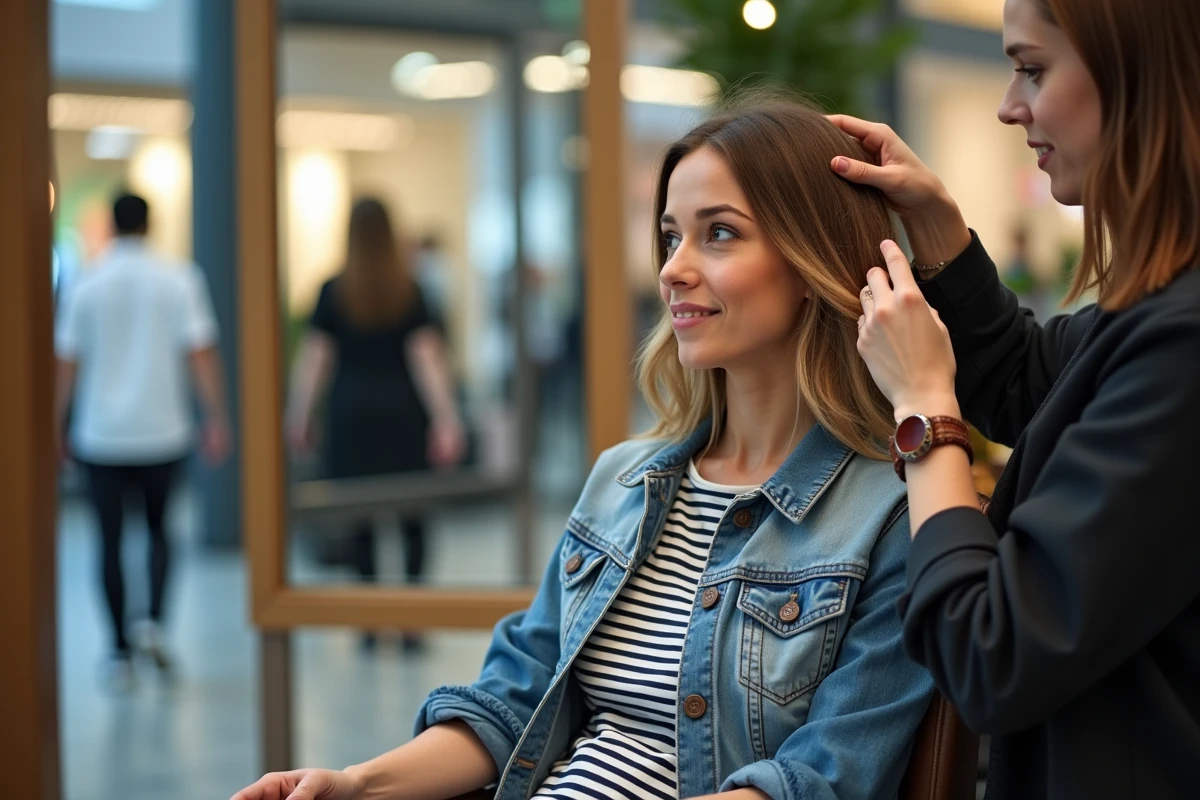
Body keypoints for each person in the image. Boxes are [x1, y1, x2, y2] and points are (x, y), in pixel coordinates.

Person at [234, 98, 935, 800]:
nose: (673, 269)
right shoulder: (624, 480)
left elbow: (824, 779)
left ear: (815, 260)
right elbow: (512, 700)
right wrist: (352, 785)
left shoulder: (889, 515)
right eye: (670, 238)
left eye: (718, 233)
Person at [827, 0, 1200, 797]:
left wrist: (925, 412)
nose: (1008, 105)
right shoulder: (1155, 315)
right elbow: (1036, 384)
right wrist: (942, 232)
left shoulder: (1183, 343)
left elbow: (990, 653)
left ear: (1138, 72)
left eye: (1032, 68)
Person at [54, 192, 232, 688]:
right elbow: (201, 353)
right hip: (163, 430)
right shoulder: (179, 278)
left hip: (100, 435)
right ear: (150, 225)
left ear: (112, 225)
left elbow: (66, 362)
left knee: (107, 540)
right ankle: (152, 620)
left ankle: (117, 652)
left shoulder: (87, 281)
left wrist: (55, 426)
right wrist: (216, 417)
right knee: (159, 531)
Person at [286, 198, 466, 639]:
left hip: (350, 417)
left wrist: (300, 415)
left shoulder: (334, 290)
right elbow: (427, 357)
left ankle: (368, 620)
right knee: (412, 518)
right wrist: (446, 418)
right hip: (402, 415)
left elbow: (315, 359)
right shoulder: (410, 288)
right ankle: (411, 622)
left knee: (360, 518)